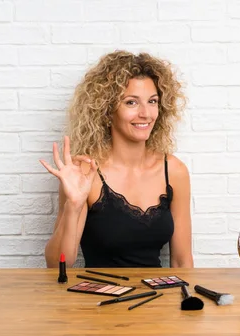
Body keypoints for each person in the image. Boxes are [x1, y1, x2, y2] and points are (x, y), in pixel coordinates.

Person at [40, 50, 193, 269]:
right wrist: (73, 205)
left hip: (158, 299)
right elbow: (57, 265)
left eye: (152, 101)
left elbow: (182, 261)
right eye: (131, 103)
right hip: (100, 298)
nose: (146, 113)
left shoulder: (174, 171)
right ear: (107, 110)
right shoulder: (85, 173)